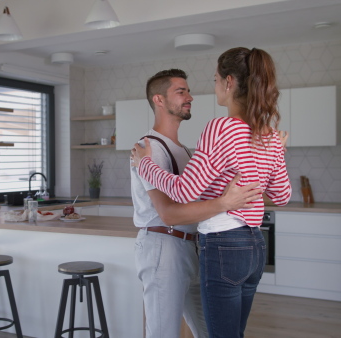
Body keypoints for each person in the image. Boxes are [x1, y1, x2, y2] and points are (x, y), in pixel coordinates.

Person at [132, 49, 292, 338]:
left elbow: (184, 191)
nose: (198, 93)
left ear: (229, 82)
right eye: (182, 91)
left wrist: (144, 164)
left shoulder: (220, 129)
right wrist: (277, 153)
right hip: (252, 246)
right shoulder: (267, 134)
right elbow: (282, 195)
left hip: (222, 243)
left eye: (216, 79)